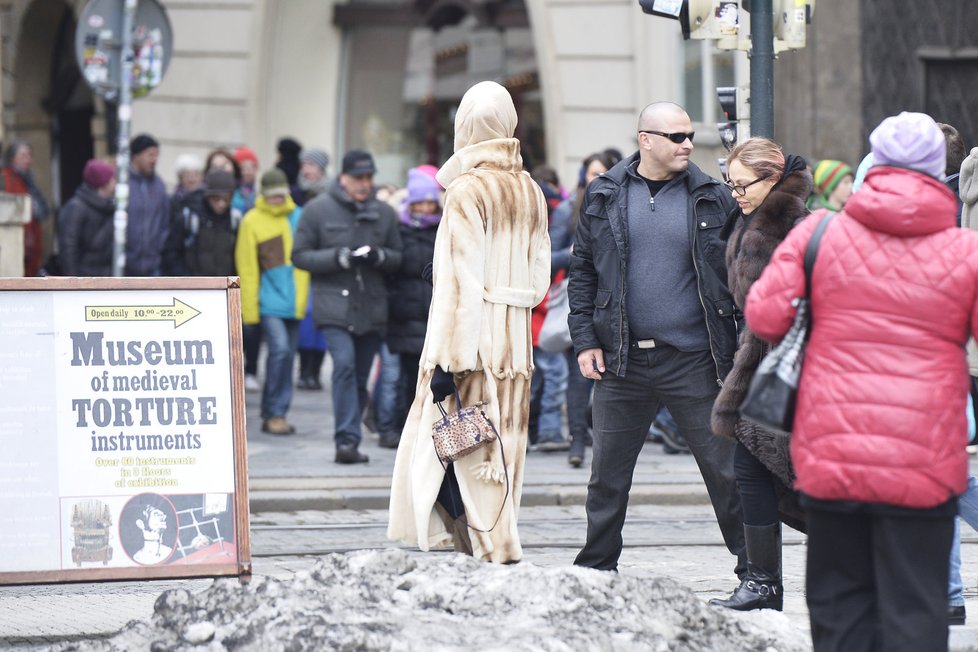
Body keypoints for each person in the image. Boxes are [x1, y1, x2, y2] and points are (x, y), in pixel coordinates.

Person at [745, 111, 978, 652]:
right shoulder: (964, 250)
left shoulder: (819, 234)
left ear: (872, 165)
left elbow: (765, 316)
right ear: (935, 170)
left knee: (839, 602)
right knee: (918, 605)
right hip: (924, 456)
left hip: (834, 453)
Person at [567, 101, 746, 576]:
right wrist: (585, 339)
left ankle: (756, 572)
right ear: (645, 139)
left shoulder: (711, 194)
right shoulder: (604, 193)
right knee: (607, 476)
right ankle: (596, 570)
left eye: (689, 135)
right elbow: (582, 269)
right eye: (676, 137)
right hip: (620, 360)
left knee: (725, 471)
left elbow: (737, 272)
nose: (688, 144)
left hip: (695, 359)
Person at [387, 80, 551, 563]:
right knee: (500, 456)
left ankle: (492, 556)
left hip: (473, 344)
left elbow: (458, 289)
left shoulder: (466, 191)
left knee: (462, 451)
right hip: (515, 344)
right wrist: (511, 301)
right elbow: (540, 281)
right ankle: (489, 547)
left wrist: (448, 361)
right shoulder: (532, 191)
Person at [706, 137, 812, 612]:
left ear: (772, 179)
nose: (736, 193)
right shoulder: (748, 219)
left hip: (787, 369)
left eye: (742, 184)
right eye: (730, 185)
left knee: (796, 479)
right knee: (751, 471)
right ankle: (763, 583)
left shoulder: (795, 224)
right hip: (756, 360)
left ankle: (768, 583)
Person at [292, 149, 403, 464]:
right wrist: (337, 257)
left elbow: (399, 257)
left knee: (359, 375)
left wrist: (379, 256)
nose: (364, 184)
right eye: (358, 178)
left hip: (371, 307)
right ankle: (346, 439)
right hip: (334, 307)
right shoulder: (317, 210)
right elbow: (299, 255)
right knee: (343, 366)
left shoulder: (384, 213)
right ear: (343, 178)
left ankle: (350, 440)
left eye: (368, 177)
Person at [550, 151, 616, 467]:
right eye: (592, 173)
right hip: (579, 301)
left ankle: (602, 440)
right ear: (582, 177)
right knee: (579, 377)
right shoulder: (568, 210)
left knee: (609, 378)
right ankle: (577, 440)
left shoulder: (622, 204)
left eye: (604, 172)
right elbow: (546, 258)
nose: (598, 179)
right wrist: (572, 253)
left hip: (615, 304)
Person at [235, 169, 309, 436]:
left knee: (288, 357)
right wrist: (249, 312)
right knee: (279, 351)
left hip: (294, 303)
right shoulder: (252, 221)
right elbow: (247, 268)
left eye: (281, 194)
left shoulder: (299, 216)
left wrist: (303, 302)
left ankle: (276, 411)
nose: (277, 200)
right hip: (268, 302)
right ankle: (274, 412)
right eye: (272, 195)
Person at [384, 167, 443, 449]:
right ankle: (402, 427)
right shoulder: (399, 231)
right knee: (406, 378)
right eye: (418, 202)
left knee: (433, 379)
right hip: (405, 314)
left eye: (428, 202)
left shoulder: (443, 229)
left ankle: (427, 428)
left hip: (435, 313)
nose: (424, 208)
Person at [294, 147, 332, 390]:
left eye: (311, 165)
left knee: (319, 320)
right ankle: (304, 370)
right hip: (300, 261)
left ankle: (315, 372)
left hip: (322, 261)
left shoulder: (330, 195)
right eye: (304, 165)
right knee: (304, 322)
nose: (307, 170)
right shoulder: (295, 194)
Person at [163, 169, 241, 277]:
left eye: (226, 199)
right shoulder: (190, 217)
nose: (221, 204)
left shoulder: (234, 219)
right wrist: (185, 281)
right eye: (216, 199)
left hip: (223, 287)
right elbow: (171, 254)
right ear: (208, 196)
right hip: (193, 288)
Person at [57, 159, 116, 276]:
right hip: (83, 281)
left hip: (107, 280)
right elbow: (68, 247)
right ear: (104, 182)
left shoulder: (111, 207)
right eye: (112, 179)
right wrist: (74, 284)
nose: (115, 182)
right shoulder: (76, 208)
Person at [2, 140, 50, 276]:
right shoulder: (6, 179)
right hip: (19, 244)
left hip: (31, 243)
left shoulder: (28, 179)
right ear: (12, 158)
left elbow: (42, 210)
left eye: (29, 156)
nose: (28, 160)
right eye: (23, 156)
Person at [126, 134, 170, 276]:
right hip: (124, 265)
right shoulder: (121, 183)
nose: (154, 160)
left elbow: (164, 221)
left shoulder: (159, 185)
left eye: (156, 155)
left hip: (153, 266)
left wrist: (158, 246)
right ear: (136, 156)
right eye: (150, 155)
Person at [232, 147, 259, 214]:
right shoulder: (232, 192)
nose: (248, 172)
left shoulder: (259, 191)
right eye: (243, 168)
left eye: (251, 168)